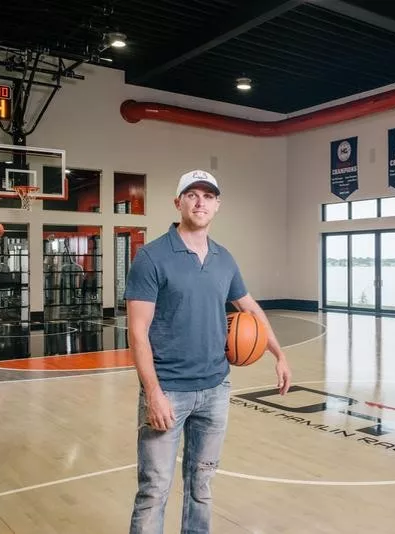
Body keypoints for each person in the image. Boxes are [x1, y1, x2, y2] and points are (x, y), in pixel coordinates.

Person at [124, 169, 292, 534]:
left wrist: (278, 354)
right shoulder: (151, 257)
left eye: (208, 196)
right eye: (192, 194)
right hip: (168, 389)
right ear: (178, 202)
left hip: (215, 390)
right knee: (153, 491)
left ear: (217, 206)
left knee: (201, 488)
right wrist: (153, 393)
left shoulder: (224, 258)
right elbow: (137, 333)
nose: (200, 201)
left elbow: (251, 310)